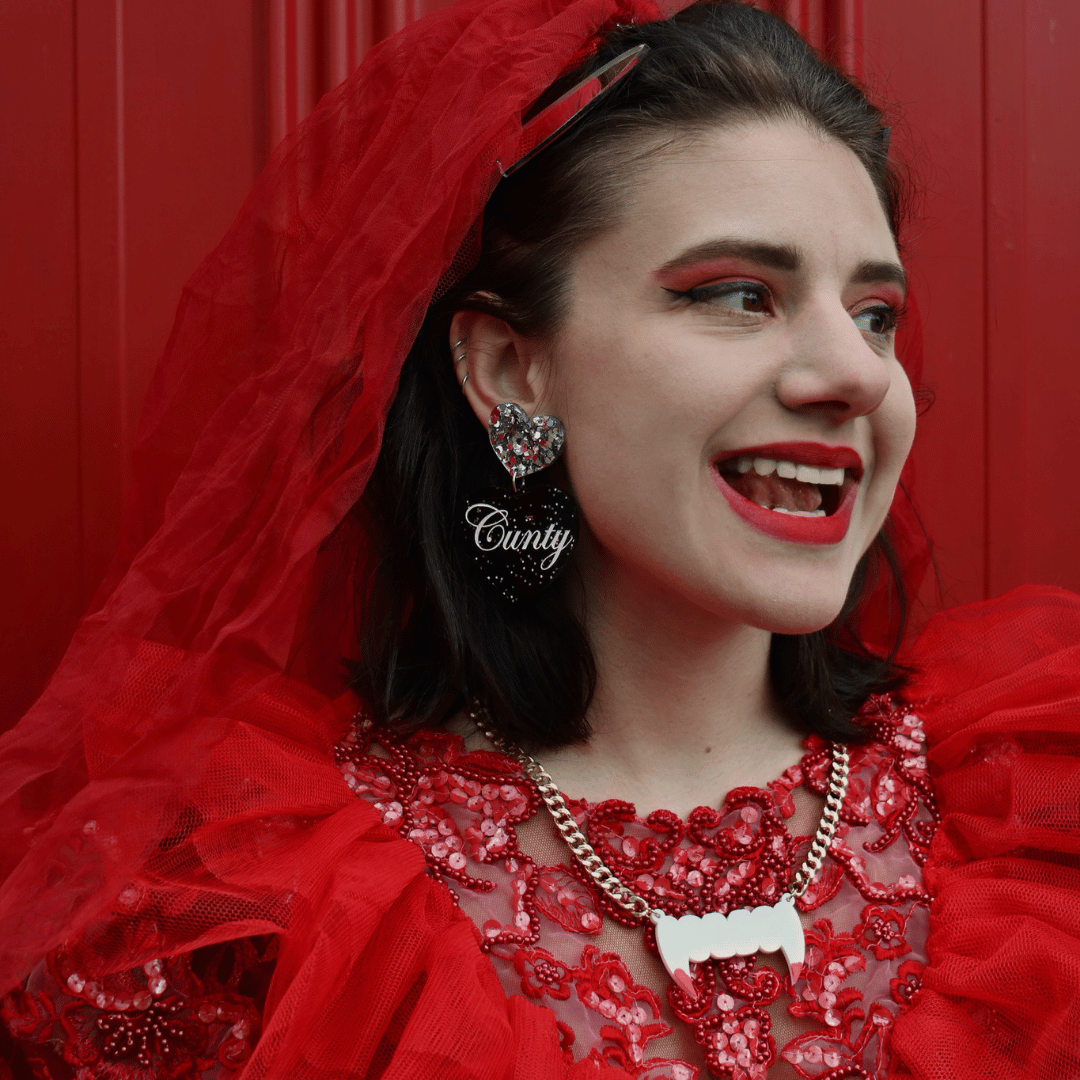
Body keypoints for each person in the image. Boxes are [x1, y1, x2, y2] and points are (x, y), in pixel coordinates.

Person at [1, 1, 1078, 1078]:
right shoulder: (249, 909)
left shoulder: (1045, 811)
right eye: (741, 295)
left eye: (875, 312)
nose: (857, 373)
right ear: (513, 373)